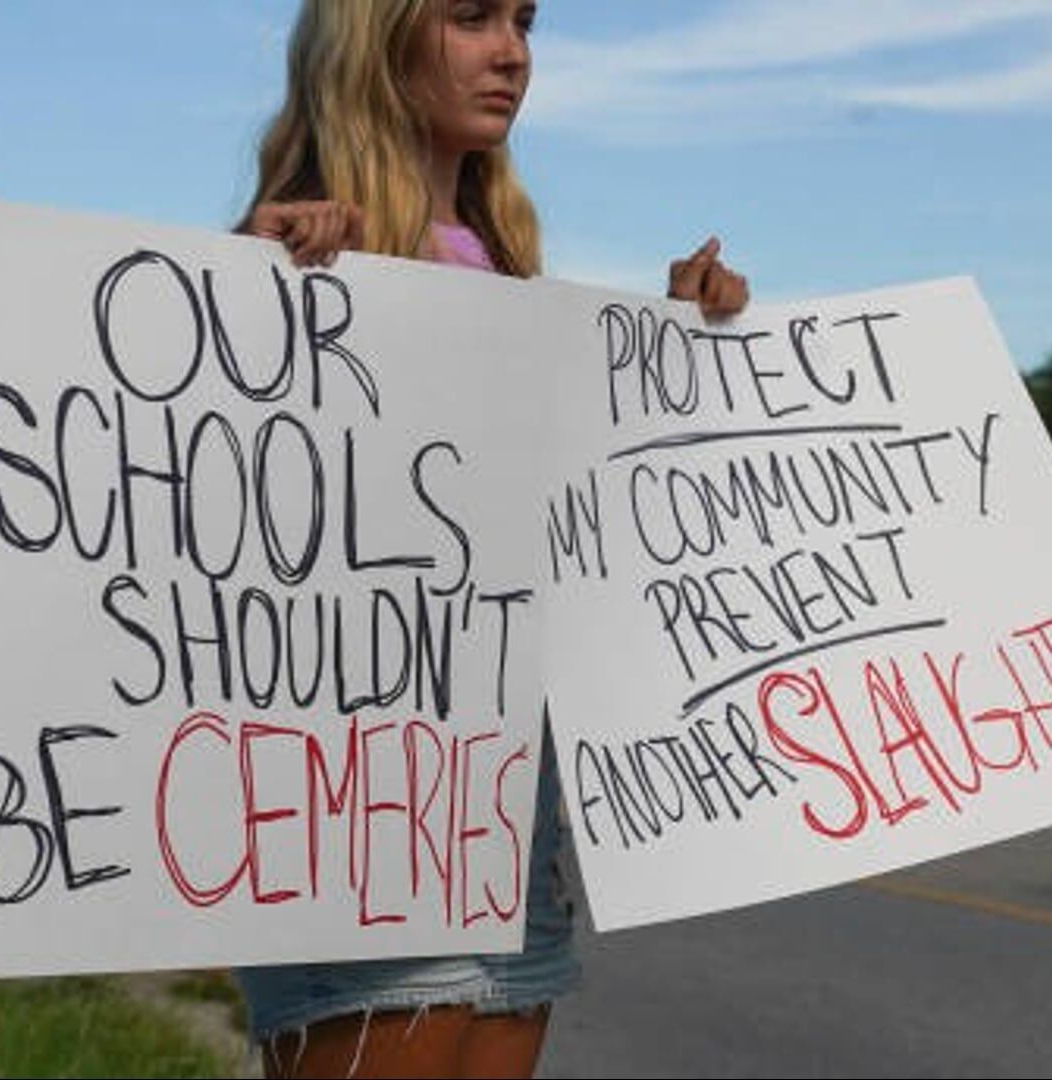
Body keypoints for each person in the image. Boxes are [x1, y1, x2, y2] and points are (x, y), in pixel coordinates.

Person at [233, 1, 747, 1076]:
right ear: (378, 39)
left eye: (524, 20)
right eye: (472, 18)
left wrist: (678, 351)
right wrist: (248, 285)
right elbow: (217, 504)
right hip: (358, 818)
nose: (512, 52)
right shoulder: (296, 249)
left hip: (511, 815)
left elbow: (567, 513)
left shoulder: (503, 261)